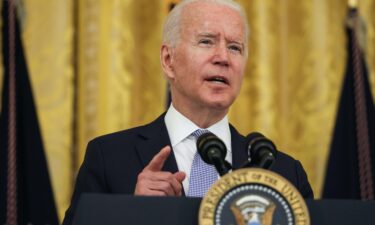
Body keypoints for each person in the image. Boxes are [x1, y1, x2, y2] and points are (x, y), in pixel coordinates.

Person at [62, 0, 313, 224]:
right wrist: (132, 213)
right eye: (206, 42)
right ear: (168, 60)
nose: (223, 57)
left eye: (235, 47)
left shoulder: (284, 173)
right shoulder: (109, 158)